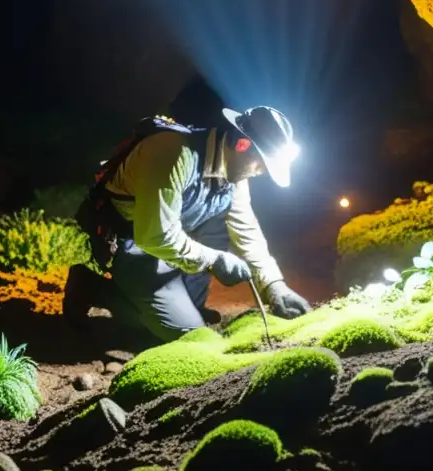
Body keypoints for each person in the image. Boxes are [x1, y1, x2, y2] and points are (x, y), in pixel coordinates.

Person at [64, 105, 312, 342]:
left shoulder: (234, 171)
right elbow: (155, 236)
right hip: (138, 243)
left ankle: (181, 302)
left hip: (176, 240)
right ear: (242, 143)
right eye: (261, 164)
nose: (261, 172)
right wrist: (216, 259)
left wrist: (273, 285)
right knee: (186, 332)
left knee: (219, 228)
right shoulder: (172, 153)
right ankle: (93, 288)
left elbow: (246, 228)